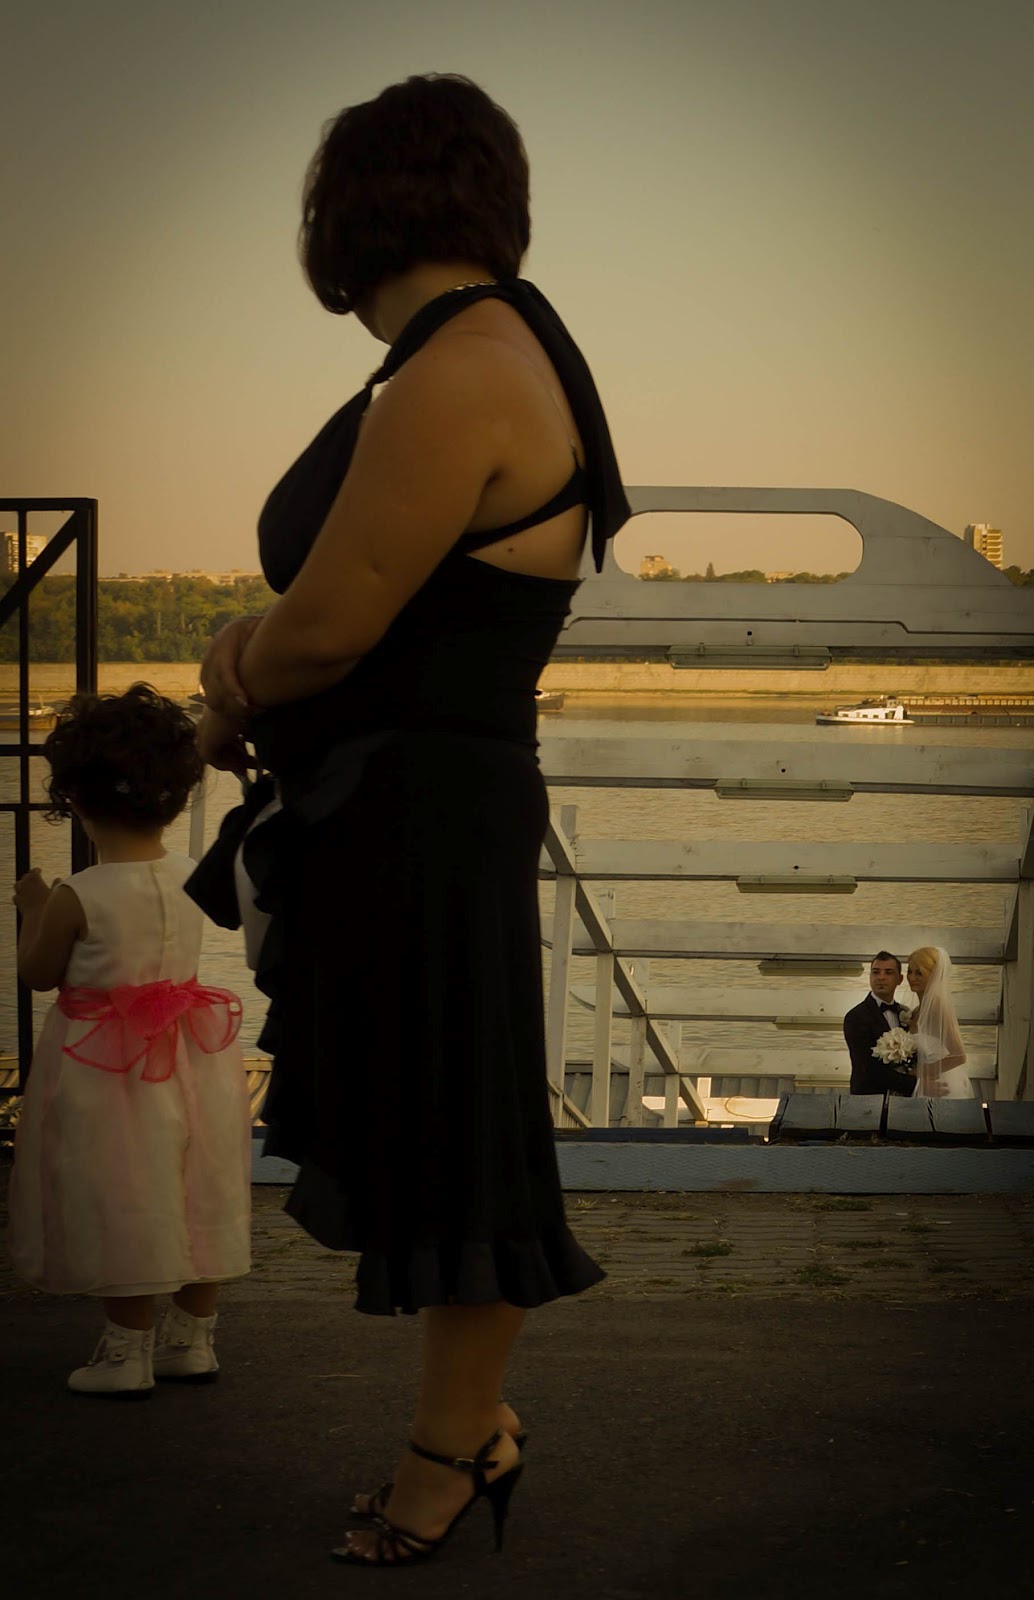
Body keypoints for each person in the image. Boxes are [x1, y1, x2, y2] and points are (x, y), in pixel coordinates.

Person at [189, 72, 620, 1567]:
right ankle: (464, 1428)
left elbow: (328, 628)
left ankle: (455, 1445)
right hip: (416, 813)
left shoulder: (460, 372)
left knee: (459, 1144)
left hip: (426, 818)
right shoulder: (482, 352)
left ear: (347, 214)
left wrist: (232, 666)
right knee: (433, 1128)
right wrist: (264, 657)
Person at [6, 685, 252, 1397]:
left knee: (119, 1187)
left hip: (104, 1067)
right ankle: (191, 1342)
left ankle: (125, 1353)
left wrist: (32, 906)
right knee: (196, 1182)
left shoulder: (79, 892)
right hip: (191, 1056)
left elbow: (38, 973)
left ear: (74, 799)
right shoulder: (192, 875)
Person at [843, 950, 917, 1095]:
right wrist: (915, 1083)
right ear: (870, 976)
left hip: (903, 1101)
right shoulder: (856, 1016)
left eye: (888, 972)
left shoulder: (905, 1013)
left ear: (900, 979)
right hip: (869, 1099)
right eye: (876, 972)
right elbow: (867, 1067)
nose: (881, 977)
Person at [905, 946, 970, 1098]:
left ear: (933, 975)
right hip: (924, 1084)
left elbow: (959, 1056)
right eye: (909, 971)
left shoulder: (937, 1007)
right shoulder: (915, 1011)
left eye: (919, 973)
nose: (912, 978)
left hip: (940, 1084)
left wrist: (918, 1072)